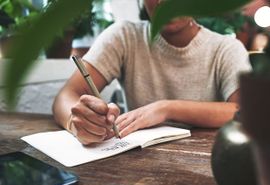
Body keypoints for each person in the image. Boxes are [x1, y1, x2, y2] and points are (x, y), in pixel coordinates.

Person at [52, 0, 252, 145]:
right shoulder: (125, 37)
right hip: (137, 165)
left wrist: (167, 108)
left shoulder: (226, 49)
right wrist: (78, 123)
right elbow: (66, 96)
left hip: (205, 164)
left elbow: (246, 111)